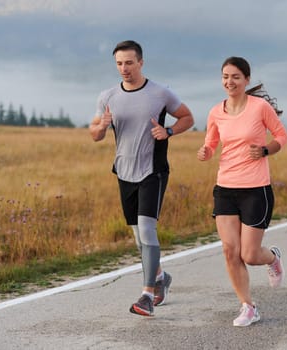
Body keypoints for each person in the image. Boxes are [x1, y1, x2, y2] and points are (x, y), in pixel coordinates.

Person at [89, 40, 194, 316]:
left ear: (141, 62)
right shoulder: (108, 96)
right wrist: (101, 127)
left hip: (153, 170)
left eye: (129, 63)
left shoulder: (160, 93)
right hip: (124, 171)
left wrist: (168, 132)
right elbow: (95, 133)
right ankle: (161, 278)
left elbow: (187, 117)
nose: (124, 68)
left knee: (147, 231)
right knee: (138, 238)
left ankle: (147, 295)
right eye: (119, 63)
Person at [197, 57, 287, 327]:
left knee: (249, 254)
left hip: (255, 188)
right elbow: (211, 143)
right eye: (225, 76)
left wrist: (264, 150)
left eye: (236, 76)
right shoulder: (216, 111)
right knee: (229, 251)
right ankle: (248, 306)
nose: (230, 82)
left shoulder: (259, 107)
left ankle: (272, 258)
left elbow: (281, 136)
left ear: (246, 79)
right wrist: (206, 152)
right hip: (225, 187)